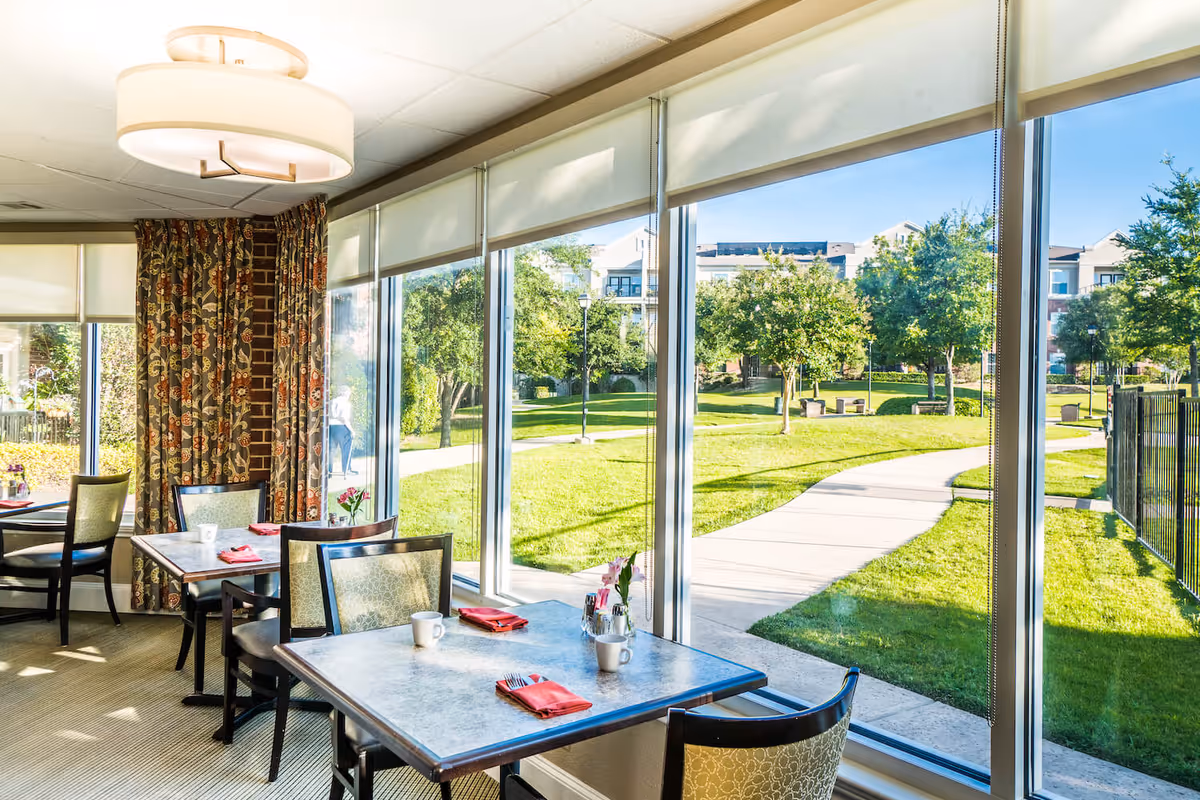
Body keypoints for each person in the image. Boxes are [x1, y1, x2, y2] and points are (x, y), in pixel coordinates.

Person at [328, 386, 356, 476]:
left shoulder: (332, 401)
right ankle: (346, 469)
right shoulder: (346, 403)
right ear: (346, 393)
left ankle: (328, 471)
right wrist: (351, 430)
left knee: (331, 450)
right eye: (349, 393)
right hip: (342, 427)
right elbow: (344, 418)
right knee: (346, 449)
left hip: (331, 426)